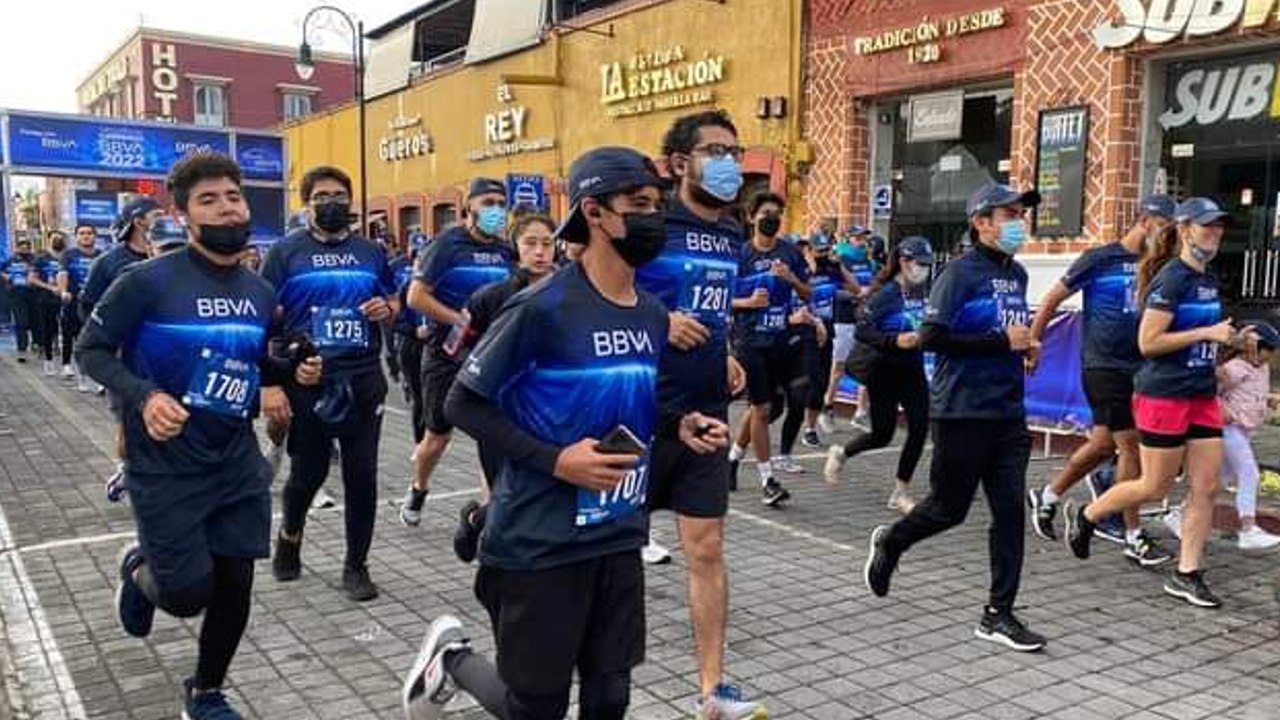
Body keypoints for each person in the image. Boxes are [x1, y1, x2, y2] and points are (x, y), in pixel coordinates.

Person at [403, 145, 728, 720]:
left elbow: (626, 400)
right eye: (639, 203)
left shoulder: (651, 313)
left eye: (658, 203)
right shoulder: (540, 308)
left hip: (617, 533)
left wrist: (680, 424)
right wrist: (557, 461)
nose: (653, 216)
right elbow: (463, 403)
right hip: (540, 540)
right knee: (537, 710)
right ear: (595, 213)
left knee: (611, 699)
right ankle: (450, 661)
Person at [77, 153, 303, 720]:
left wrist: (288, 378)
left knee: (235, 585)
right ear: (181, 215)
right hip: (164, 466)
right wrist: (145, 395)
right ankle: (138, 570)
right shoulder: (146, 282)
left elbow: (263, 364)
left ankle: (205, 692)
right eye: (208, 199)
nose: (226, 206)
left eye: (233, 195)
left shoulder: (259, 292)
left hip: (234, 462)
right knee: (186, 594)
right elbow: (91, 350)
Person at [864, 184, 1045, 653]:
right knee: (949, 509)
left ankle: (998, 613)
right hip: (961, 411)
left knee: (1009, 515)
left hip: (1007, 413)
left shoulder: (1020, 274)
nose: (1018, 221)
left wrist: (1026, 349)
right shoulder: (959, 275)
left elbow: (1009, 334)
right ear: (981, 221)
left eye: (1020, 214)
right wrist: (1001, 342)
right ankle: (892, 542)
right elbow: (931, 337)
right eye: (1009, 213)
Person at [1066, 198, 1259, 608]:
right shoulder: (1171, 278)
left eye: (1220, 227)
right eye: (1207, 226)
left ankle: (1187, 574)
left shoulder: (1207, 279)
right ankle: (1088, 515)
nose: (1215, 234)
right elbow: (1148, 343)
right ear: (1185, 229)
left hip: (1201, 394)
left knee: (1206, 486)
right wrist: (1205, 332)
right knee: (1153, 486)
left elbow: (1206, 336)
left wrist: (1235, 341)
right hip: (1164, 394)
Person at [635, 110, 762, 719]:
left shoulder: (733, 232)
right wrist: (659, 322)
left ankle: (712, 689)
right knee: (609, 550)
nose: (729, 162)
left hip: (706, 409)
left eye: (735, 151)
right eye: (715, 150)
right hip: (634, 409)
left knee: (706, 547)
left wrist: (729, 351)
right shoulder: (647, 223)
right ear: (680, 163)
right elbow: (591, 293)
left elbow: (713, 307)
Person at [264, 165, 398, 602]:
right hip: (311, 377)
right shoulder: (285, 253)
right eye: (322, 195)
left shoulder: (371, 251)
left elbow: (395, 299)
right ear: (307, 204)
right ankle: (289, 536)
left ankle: (356, 566)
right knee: (308, 472)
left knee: (362, 475)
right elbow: (265, 324)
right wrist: (283, 373)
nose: (332, 202)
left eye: (340, 194)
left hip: (363, 377)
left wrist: (387, 309)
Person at [1026, 195, 1176, 568]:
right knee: (1132, 448)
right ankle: (1131, 533)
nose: (1169, 235)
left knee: (1101, 444)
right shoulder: (1099, 258)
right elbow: (1050, 299)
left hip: (1141, 367)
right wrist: (1034, 342)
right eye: (1165, 227)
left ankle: (1048, 496)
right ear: (1144, 220)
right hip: (1103, 366)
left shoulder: (1159, 266)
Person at [400, 178, 514, 526]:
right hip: (445, 353)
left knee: (490, 435)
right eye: (488, 203)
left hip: (492, 355)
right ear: (469, 207)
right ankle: (418, 487)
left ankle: (490, 514)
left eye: (500, 203)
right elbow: (415, 297)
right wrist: (462, 321)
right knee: (437, 437)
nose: (496, 210)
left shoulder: (506, 250)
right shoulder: (446, 245)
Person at [449, 213, 557, 564]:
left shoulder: (572, 292)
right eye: (531, 243)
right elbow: (454, 345)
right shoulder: (490, 297)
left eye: (547, 243)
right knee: (504, 495)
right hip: (501, 413)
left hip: (554, 409)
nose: (540, 252)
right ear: (515, 248)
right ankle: (479, 523)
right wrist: (488, 368)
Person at [824, 236, 934, 515]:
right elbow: (863, 330)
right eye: (920, 264)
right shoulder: (886, 294)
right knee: (882, 434)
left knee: (920, 428)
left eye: (928, 265)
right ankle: (841, 452)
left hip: (913, 369)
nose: (924, 269)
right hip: (883, 370)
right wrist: (894, 341)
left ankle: (900, 492)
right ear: (904, 262)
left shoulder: (920, 292)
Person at [726, 191, 810, 507]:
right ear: (752, 218)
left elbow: (809, 293)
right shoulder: (740, 255)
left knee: (767, 408)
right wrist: (747, 302)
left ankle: (732, 460)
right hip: (749, 342)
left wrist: (791, 278)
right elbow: (720, 297)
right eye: (765, 213)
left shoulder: (790, 253)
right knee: (761, 409)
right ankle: (767, 480)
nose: (772, 218)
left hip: (781, 341)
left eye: (777, 212)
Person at [1217, 323, 1280, 550]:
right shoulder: (1234, 367)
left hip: (1245, 432)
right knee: (1249, 473)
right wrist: (1219, 408)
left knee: (1219, 480)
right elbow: (1213, 389)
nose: (1269, 358)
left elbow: (1253, 393)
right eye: (1267, 351)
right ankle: (1248, 528)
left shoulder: (1261, 369)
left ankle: (1180, 514)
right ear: (1251, 346)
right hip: (1230, 429)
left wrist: (1269, 399)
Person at [820, 227, 873, 429]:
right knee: (839, 367)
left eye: (864, 238)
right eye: (858, 238)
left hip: (863, 319)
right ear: (848, 239)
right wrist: (857, 296)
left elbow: (872, 283)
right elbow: (834, 291)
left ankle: (860, 412)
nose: (862, 241)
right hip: (843, 319)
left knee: (867, 365)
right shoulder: (839, 260)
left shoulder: (867, 261)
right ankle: (827, 408)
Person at [57, 224, 101, 389]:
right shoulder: (68, 255)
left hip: (95, 305)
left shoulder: (101, 256)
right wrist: (63, 292)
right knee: (75, 339)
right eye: (82, 233)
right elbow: (62, 275)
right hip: (73, 303)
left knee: (94, 341)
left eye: (89, 233)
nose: (86, 236)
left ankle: (96, 378)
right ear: (76, 237)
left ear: (94, 236)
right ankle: (79, 374)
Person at [29, 231, 66, 376]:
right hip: (46, 299)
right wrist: (50, 288)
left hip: (65, 299)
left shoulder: (67, 257)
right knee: (48, 330)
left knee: (67, 331)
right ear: (49, 239)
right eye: (55, 238)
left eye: (60, 238)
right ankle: (48, 361)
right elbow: (31, 279)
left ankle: (67, 364)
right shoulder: (40, 258)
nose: (58, 240)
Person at [1, 238, 38, 363]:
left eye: (26, 246)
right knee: (20, 323)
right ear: (17, 248)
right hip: (16, 296)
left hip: (33, 296)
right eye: (21, 246)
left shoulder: (35, 259)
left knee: (34, 322)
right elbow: (2, 272)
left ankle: (37, 343)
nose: (24, 248)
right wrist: (7, 277)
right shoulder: (9, 261)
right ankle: (22, 350)